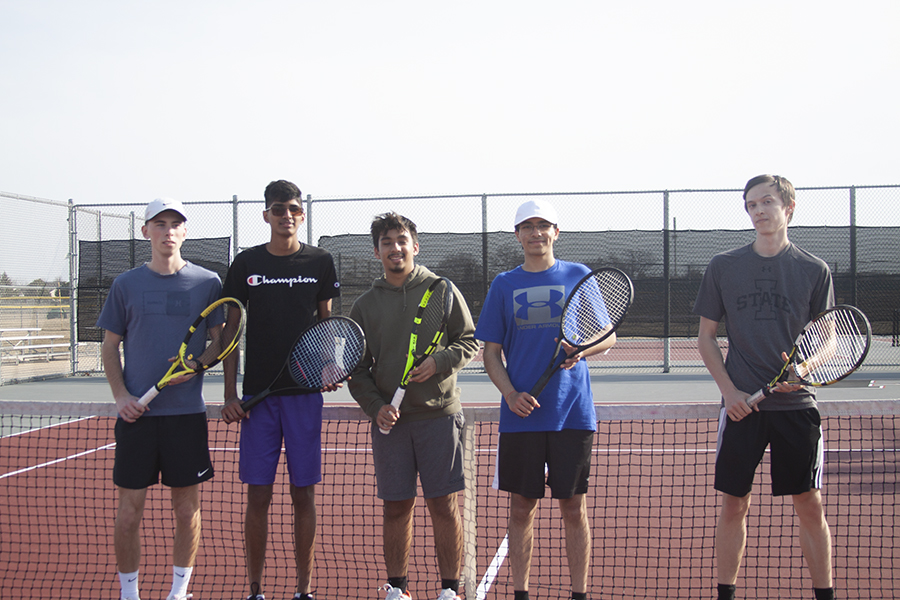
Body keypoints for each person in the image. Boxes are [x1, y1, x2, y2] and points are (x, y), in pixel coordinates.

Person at [693, 175, 836, 600]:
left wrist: (806, 366)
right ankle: (725, 593)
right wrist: (730, 392)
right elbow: (705, 338)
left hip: (797, 406)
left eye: (767, 202)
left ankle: (824, 594)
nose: (758, 211)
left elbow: (828, 335)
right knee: (734, 504)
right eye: (751, 204)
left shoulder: (814, 269)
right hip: (742, 409)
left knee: (809, 503)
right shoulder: (723, 266)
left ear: (789, 208)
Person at [475, 200, 615, 600]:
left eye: (543, 225)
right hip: (522, 416)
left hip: (573, 412)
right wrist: (510, 394)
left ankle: (579, 594)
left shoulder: (579, 275)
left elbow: (607, 336)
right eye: (527, 226)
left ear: (556, 231)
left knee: (573, 507)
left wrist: (582, 350)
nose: (536, 233)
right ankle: (522, 593)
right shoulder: (504, 284)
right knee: (521, 508)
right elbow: (490, 352)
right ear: (518, 235)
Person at [348, 212, 478, 600]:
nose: (395, 247)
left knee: (443, 505)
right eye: (386, 242)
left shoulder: (442, 290)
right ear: (377, 251)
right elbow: (358, 369)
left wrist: (440, 362)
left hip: (439, 417)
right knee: (396, 508)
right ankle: (397, 588)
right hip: (392, 425)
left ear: (415, 246)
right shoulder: (365, 306)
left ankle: (449, 590)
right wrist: (375, 406)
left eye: (401, 240)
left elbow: (469, 340)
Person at [98, 198, 224, 600]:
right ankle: (129, 594)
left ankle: (178, 592)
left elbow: (217, 344)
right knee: (127, 514)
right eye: (160, 223)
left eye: (175, 224)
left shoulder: (208, 284)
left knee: (187, 511)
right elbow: (109, 346)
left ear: (185, 231)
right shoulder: (125, 285)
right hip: (137, 418)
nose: (168, 230)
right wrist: (121, 396)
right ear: (146, 232)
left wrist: (197, 365)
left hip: (186, 416)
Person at [221, 180, 341, 600]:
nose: (285, 215)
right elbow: (231, 329)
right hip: (257, 399)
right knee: (258, 496)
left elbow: (327, 321)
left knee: (302, 495)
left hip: (304, 395)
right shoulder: (245, 263)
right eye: (277, 208)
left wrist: (329, 362)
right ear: (266, 215)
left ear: (301, 214)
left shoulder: (321, 261)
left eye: (292, 208)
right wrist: (229, 394)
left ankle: (303, 590)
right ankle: (255, 590)